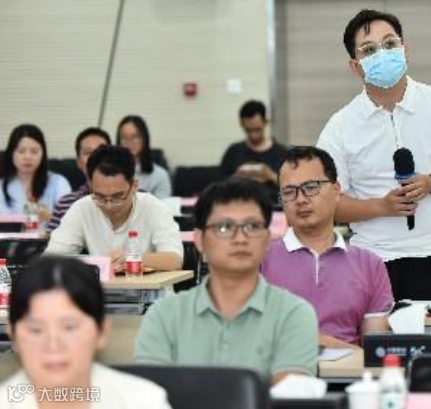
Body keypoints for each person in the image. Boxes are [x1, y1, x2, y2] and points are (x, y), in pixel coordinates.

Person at [317, 9, 431, 303]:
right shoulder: (340, 126)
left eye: (389, 44)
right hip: (374, 259)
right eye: (369, 50)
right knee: (376, 334)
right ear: (355, 67)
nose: (382, 54)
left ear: (405, 50)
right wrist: (381, 206)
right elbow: (328, 204)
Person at [133, 177, 318, 385]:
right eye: (224, 227)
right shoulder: (164, 316)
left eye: (252, 226)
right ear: (200, 241)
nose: (240, 238)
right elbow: (151, 395)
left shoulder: (294, 314)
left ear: (267, 239)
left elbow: (288, 398)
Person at [261, 146, 393, 348]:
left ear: (336, 190)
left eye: (311, 187)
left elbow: (376, 351)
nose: (300, 199)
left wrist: (333, 348)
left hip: (349, 367)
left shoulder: (369, 265)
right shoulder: (261, 259)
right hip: (281, 366)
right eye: (289, 192)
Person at [0, 256, 171, 408]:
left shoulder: (144, 401)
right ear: (13, 336)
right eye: (36, 330)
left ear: (101, 331)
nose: (53, 344)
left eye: (69, 327)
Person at [45, 145, 183, 273]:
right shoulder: (81, 208)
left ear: (134, 186)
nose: (109, 205)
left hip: (150, 291)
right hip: (101, 290)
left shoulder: (154, 208)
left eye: (117, 197)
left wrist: (134, 258)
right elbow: (50, 259)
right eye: (99, 196)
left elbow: (175, 260)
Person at [219, 100, 289, 202]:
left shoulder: (281, 153)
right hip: (240, 204)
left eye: (257, 130)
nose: (253, 135)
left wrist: (270, 175)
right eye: (248, 130)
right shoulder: (233, 152)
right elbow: (219, 188)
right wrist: (236, 178)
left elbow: (292, 187)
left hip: (273, 204)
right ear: (241, 124)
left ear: (265, 122)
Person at [0, 124, 71, 223]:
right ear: (11, 153)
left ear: (43, 153)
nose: (28, 157)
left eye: (34, 151)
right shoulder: (2, 185)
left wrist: (51, 217)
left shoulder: (58, 183)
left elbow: (72, 222)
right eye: (21, 151)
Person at [46, 127, 111, 233]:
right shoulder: (65, 204)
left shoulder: (130, 199)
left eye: (101, 152)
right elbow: (52, 242)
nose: (95, 157)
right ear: (79, 162)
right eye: (88, 152)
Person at [116, 115, 172, 199]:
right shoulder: (109, 172)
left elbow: (162, 205)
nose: (129, 142)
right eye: (124, 137)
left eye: (135, 136)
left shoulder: (160, 175)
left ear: (144, 139)